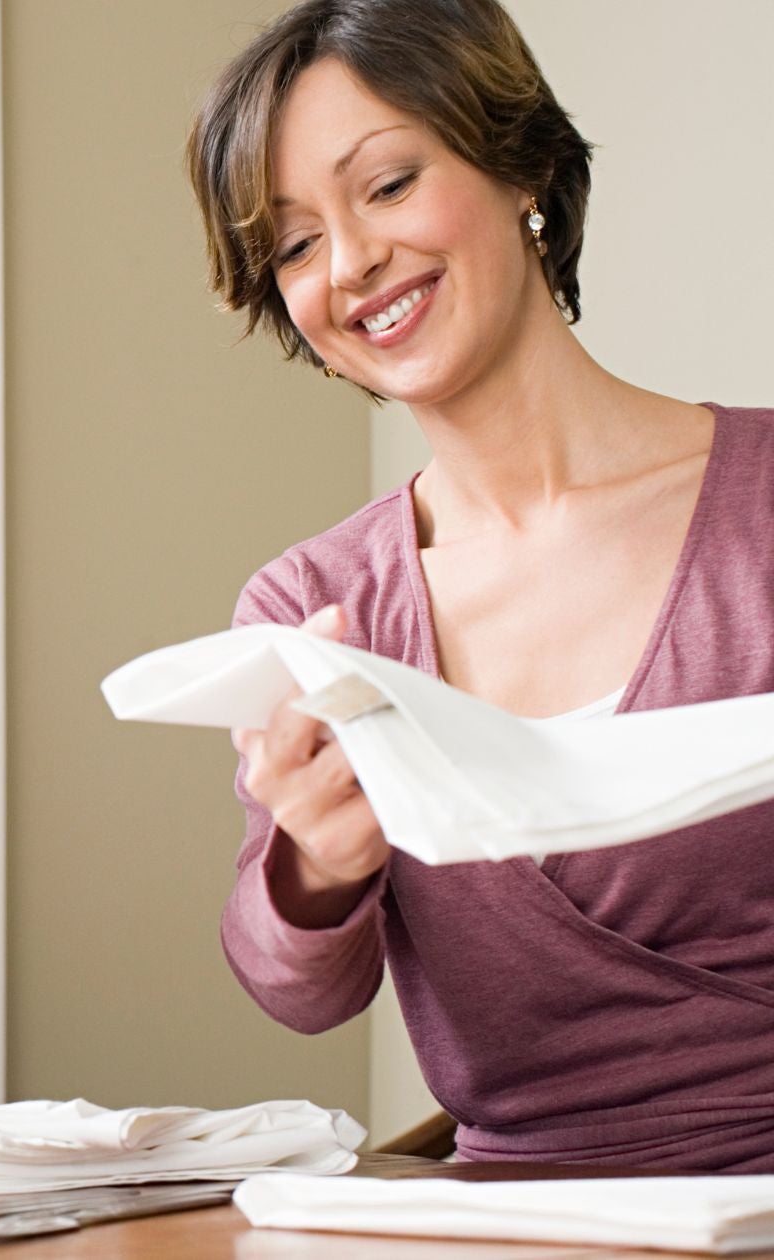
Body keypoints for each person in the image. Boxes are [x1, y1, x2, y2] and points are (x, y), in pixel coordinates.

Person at [187, 0, 774, 1170]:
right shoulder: (312, 599)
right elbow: (297, 990)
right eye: (295, 244)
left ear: (522, 170)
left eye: (388, 185)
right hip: (497, 1220)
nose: (349, 262)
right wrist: (314, 863)